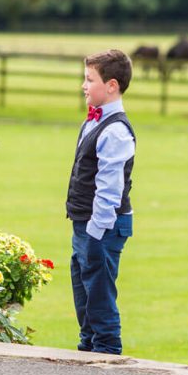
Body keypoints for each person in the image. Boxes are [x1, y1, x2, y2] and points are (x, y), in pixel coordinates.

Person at [66, 49, 136, 355]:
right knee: (84, 292)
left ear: (111, 86)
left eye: (89, 79)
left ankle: (106, 351)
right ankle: (88, 345)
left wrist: (96, 230)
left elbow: (110, 187)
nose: (83, 85)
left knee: (99, 293)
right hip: (84, 223)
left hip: (103, 225)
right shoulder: (92, 123)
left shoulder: (116, 131)